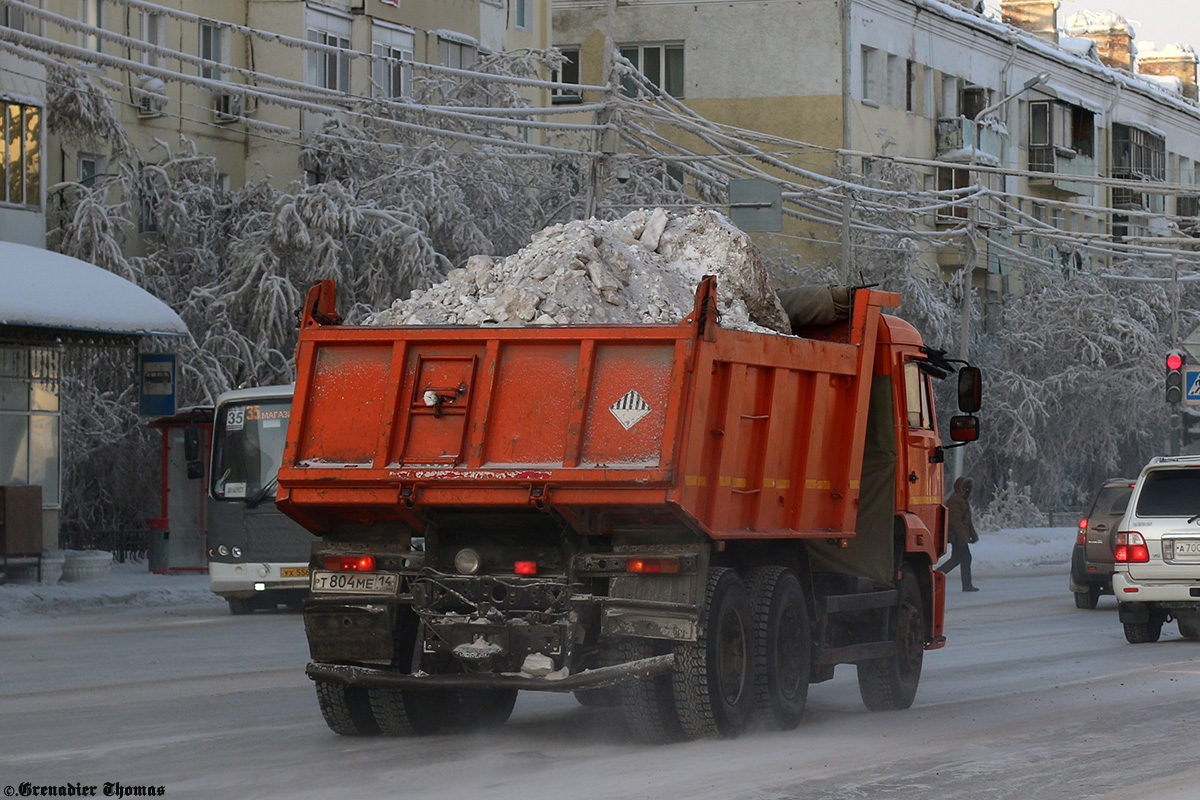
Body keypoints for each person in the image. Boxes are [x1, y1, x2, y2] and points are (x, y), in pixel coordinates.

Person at [940, 476, 980, 592]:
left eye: (969, 487)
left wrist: (972, 534)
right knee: (965, 558)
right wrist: (962, 536)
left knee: (958, 559)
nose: (968, 490)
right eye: (966, 487)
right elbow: (955, 521)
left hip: (960, 535)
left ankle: (936, 576)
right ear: (960, 487)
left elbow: (967, 521)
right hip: (957, 535)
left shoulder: (962, 500)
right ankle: (966, 585)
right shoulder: (955, 500)